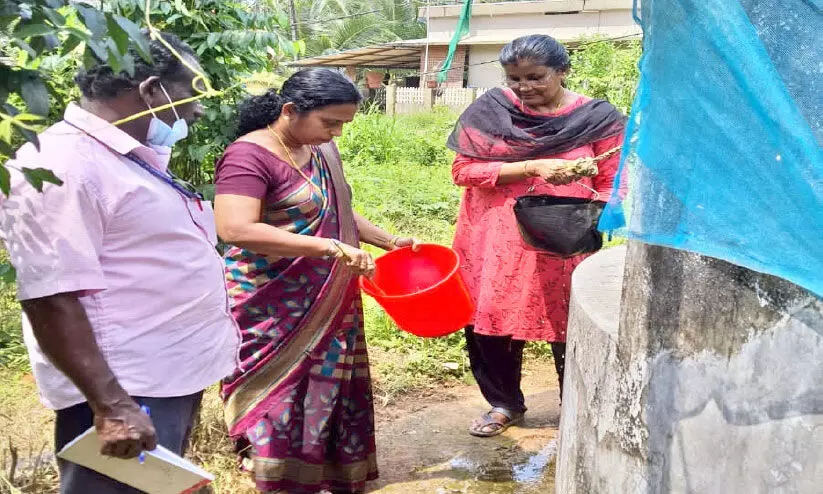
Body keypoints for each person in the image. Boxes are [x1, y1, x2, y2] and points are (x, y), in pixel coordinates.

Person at [0, 33, 240, 492]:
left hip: (162, 374)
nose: (198, 110)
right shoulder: (61, 166)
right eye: (191, 93)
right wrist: (111, 405)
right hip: (126, 389)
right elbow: (51, 296)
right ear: (152, 91)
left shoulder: (125, 159)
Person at [214, 68, 418, 494]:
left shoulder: (319, 151)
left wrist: (390, 241)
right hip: (269, 302)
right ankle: (275, 478)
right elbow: (235, 228)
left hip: (329, 298)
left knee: (326, 388)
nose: (337, 133)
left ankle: (324, 473)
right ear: (290, 111)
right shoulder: (248, 156)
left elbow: (337, 209)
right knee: (277, 394)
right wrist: (328, 249)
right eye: (330, 122)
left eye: (343, 123)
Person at [446, 34, 626, 437]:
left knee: (569, 317)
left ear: (562, 71)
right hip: (494, 234)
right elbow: (464, 172)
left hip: (564, 237)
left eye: (536, 76)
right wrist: (532, 167)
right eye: (515, 79)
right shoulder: (491, 111)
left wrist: (610, 213)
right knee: (490, 317)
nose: (525, 87)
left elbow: (614, 176)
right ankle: (503, 402)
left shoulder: (597, 117)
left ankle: (577, 406)